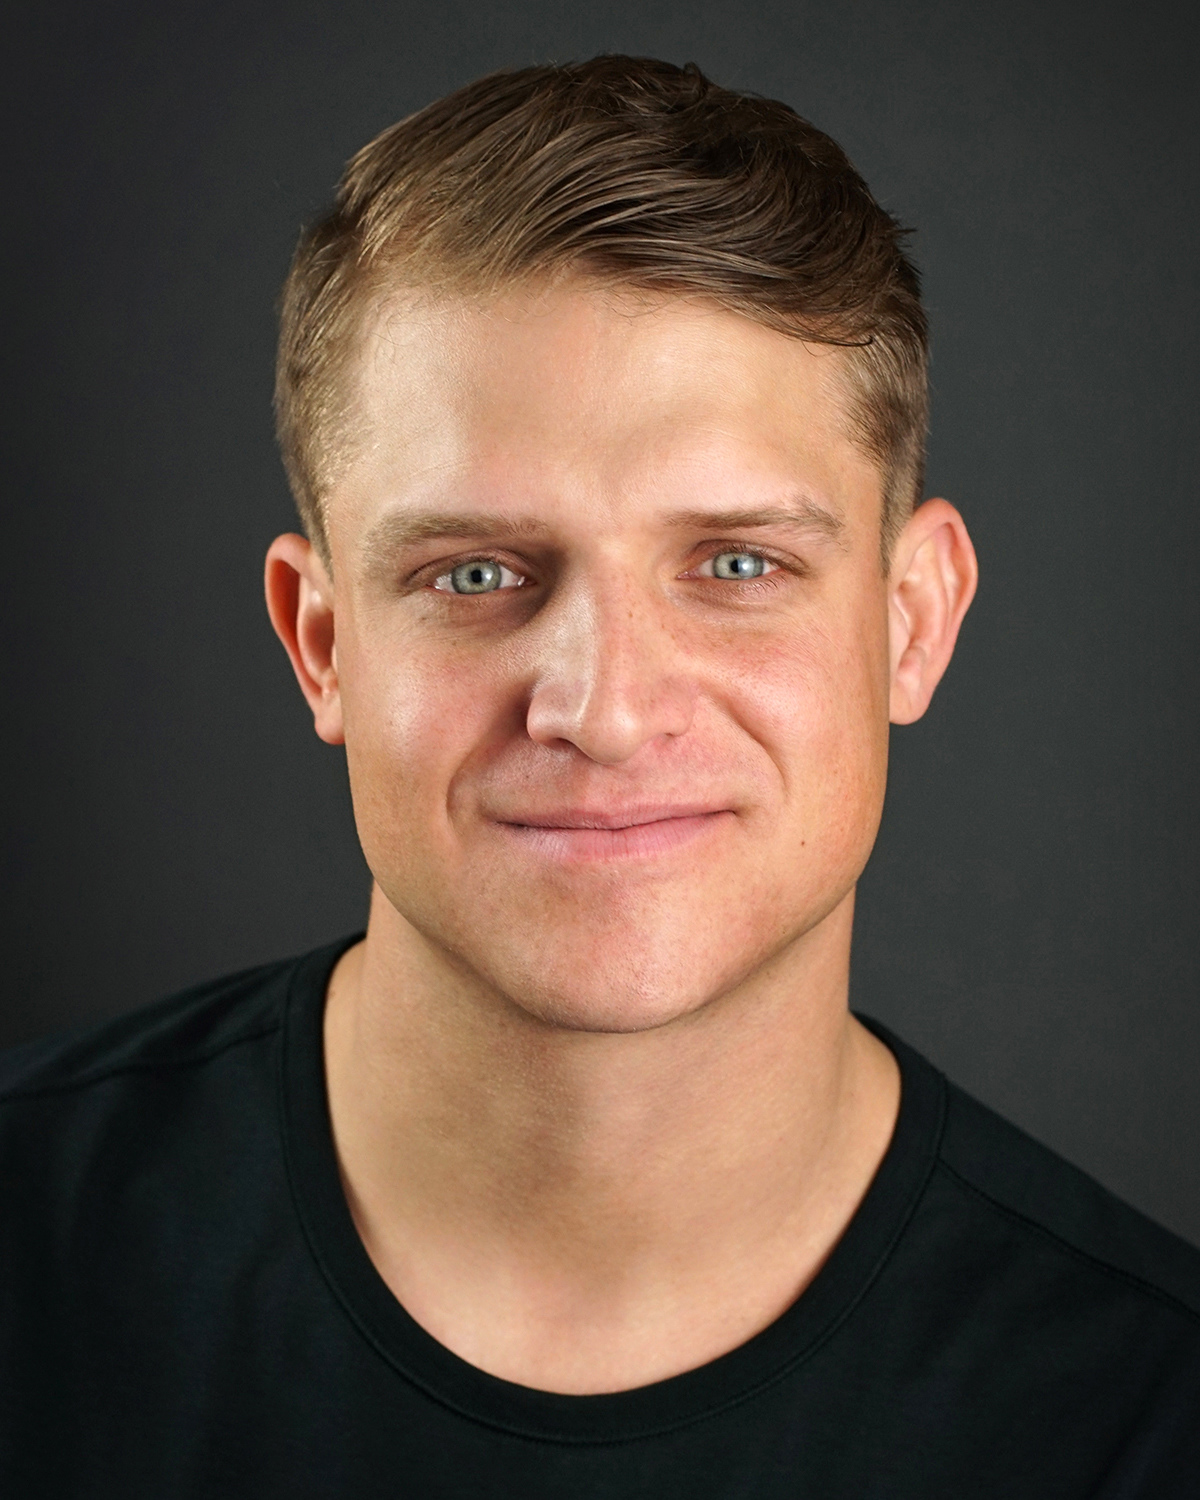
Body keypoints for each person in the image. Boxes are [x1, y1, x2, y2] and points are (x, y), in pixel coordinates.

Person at [2, 55, 1197, 1498]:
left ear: (911, 622)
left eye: (738, 564)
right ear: (322, 645)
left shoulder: (1151, 1418)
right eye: (477, 573)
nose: (608, 711)